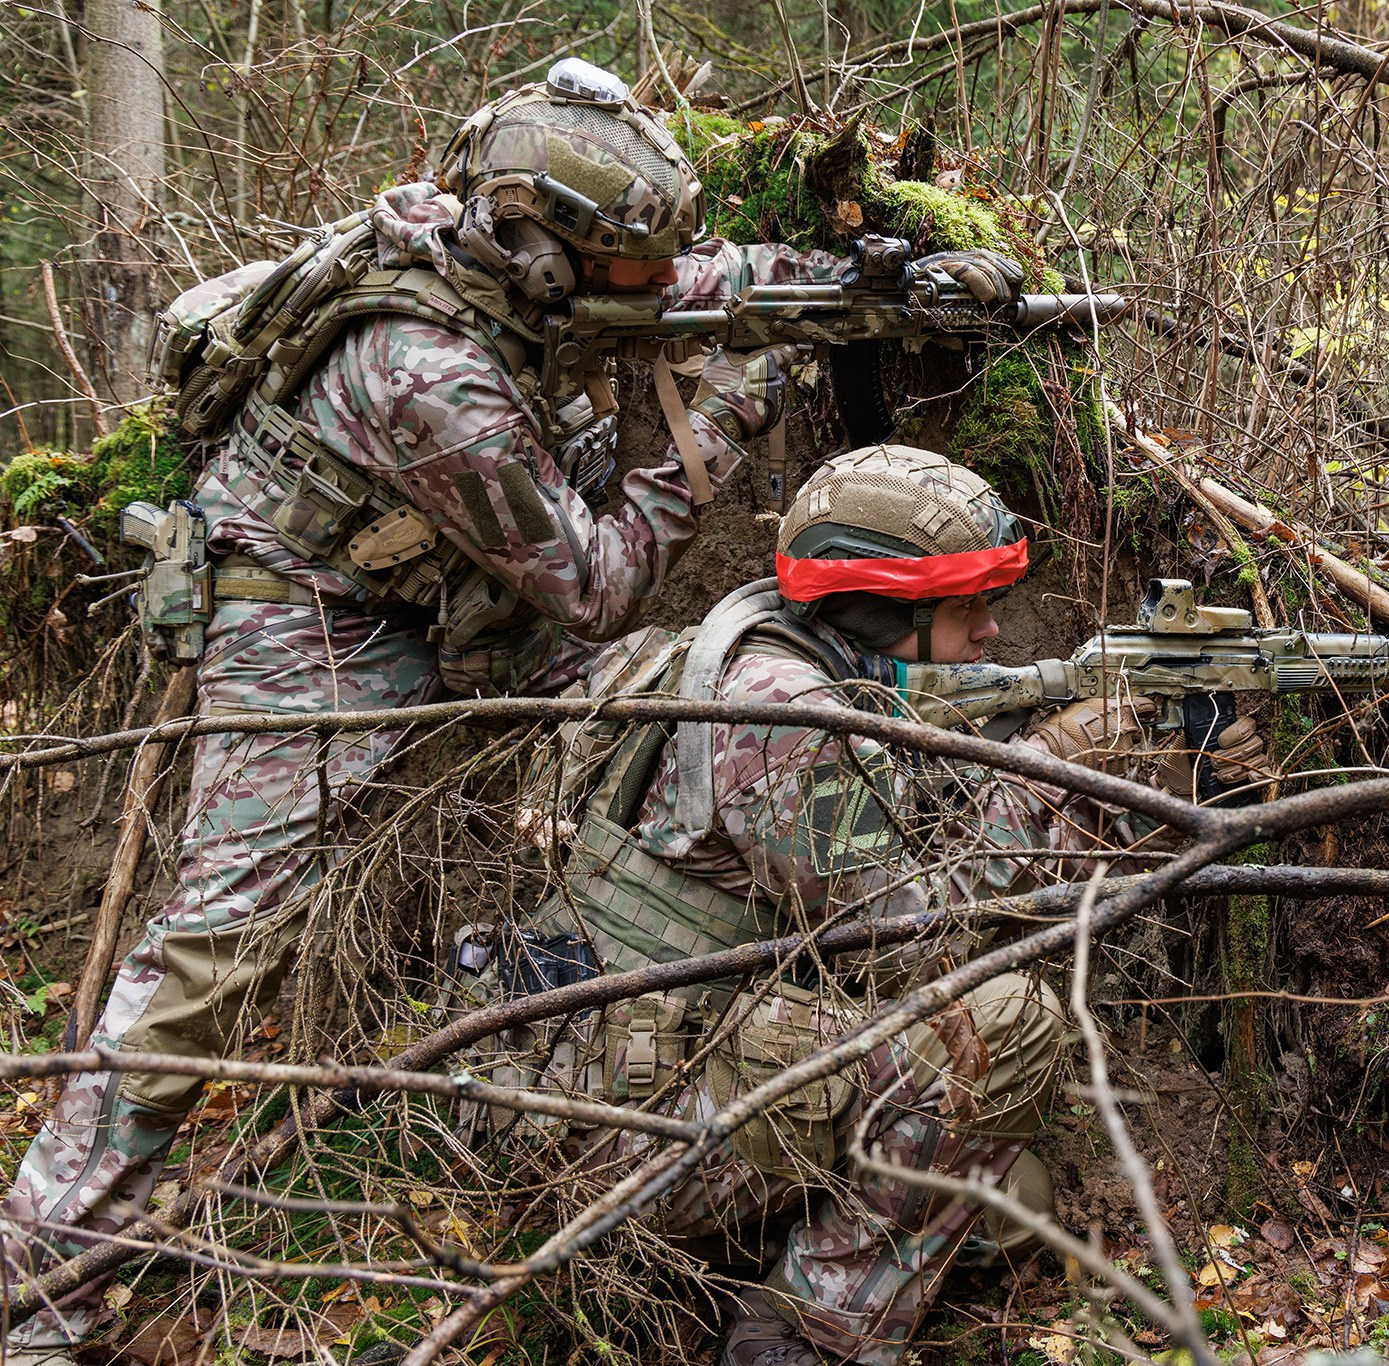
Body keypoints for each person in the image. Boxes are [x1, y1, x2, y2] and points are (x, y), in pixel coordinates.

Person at [0, 63, 1021, 1359]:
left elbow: (705, 282)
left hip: (452, 599)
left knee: (681, 693)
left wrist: (887, 286)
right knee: (217, 948)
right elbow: (594, 584)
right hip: (305, 622)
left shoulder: (521, 263)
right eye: (634, 262)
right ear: (544, 249)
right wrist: (718, 416)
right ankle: (43, 1278)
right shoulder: (423, 372)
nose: (662, 279)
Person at [482, 444, 1269, 1366]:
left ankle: (737, 1261)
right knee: (1008, 1026)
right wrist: (1062, 772)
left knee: (1014, 1201)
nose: (990, 632)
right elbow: (908, 935)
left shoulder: (745, 650)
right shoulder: (781, 710)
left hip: (601, 1079)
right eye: (968, 606)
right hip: (618, 1132)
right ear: (885, 606)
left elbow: (892, 843)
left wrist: (1131, 772)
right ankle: (802, 1334)